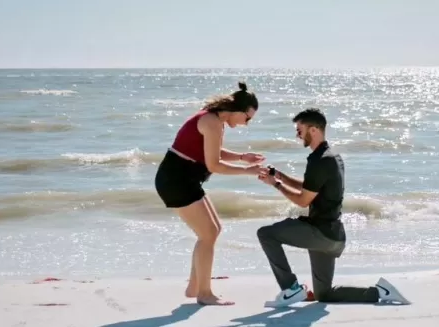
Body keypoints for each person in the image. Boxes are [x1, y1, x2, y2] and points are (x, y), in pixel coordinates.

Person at [256, 108, 409, 307]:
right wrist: (280, 176)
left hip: (320, 233)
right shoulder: (331, 156)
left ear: (313, 130)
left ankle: (291, 288)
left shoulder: (321, 161)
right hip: (332, 237)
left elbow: (303, 200)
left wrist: (275, 185)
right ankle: (380, 292)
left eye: (300, 130)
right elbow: (310, 188)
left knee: (266, 234)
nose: (297, 134)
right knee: (324, 294)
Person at [154, 81, 264, 306]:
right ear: (238, 110)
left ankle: (195, 287)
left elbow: (210, 150)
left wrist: (243, 156)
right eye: (248, 117)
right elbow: (214, 164)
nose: (247, 123)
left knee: (213, 230)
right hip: (176, 180)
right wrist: (248, 171)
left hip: (184, 179)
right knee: (208, 234)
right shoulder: (211, 121)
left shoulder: (215, 120)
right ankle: (204, 293)